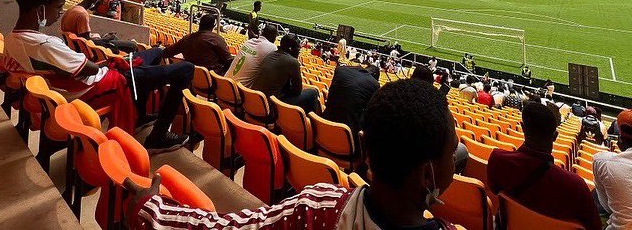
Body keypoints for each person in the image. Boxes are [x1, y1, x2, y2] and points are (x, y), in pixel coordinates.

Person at [126, 79, 462, 230]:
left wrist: (151, 207)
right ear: (428, 176)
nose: (456, 159)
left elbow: (222, 227)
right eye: (452, 153)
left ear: (363, 145)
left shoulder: (317, 207)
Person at [5, 0, 192, 153]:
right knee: (185, 68)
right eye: (58, 7)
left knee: (156, 52)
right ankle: (158, 136)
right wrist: (105, 64)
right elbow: (91, 69)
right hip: (100, 86)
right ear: (40, 10)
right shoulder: (43, 45)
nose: (60, 12)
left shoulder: (11, 39)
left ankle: (140, 117)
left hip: (84, 82)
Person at [487, 102, 600, 230]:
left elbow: (494, 190)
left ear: (523, 127)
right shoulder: (576, 186)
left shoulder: (498, 159)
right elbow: (594, 227)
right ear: (555, 136)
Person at [251, 33, 320, 113]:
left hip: (254, 102)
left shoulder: (270, 54)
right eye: (298, 48)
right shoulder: (292, 62)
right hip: (270, 108)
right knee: (313, 92)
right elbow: (297, 91)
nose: (299, 51)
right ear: (291, 49)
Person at [60, 0, 137, 53]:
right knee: (132, 45)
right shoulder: (82, 14)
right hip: (87, 48)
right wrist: (103, 40)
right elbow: (87, 41)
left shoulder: (72, 9)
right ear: (96, 0)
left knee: (114, 38)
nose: (98, 6)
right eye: (100, 3)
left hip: (78, 45)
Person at [323, 62, 381, 139]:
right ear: (374, 75)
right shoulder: (374, 84)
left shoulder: (340, 70)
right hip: (349, 133)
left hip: (325, 120)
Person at [162, 13, 233, 74]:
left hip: (190, 75)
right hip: (211, 77)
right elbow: (228, 59)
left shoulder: (187, 38)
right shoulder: (216, 39)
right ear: (213, 26)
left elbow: (167, 52)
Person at [224, 23, 278, 88]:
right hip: (238, 91)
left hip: (223, 83)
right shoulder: (272, 47)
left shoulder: (248, 42)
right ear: (274, 37)